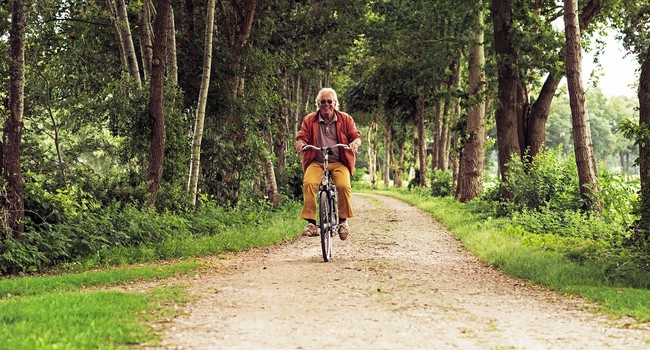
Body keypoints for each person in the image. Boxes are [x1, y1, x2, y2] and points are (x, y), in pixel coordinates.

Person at [295, 87, 362, 240]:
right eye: (323, 102)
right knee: (309, 184)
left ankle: (343, 222)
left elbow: (355, 136)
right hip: (317, 161)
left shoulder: (345, 119)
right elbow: (302, 136)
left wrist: (355, 144)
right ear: (318, 104)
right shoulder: (310, 119)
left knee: (344, 186)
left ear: (335, 103)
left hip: (339, 161)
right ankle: (312, 223)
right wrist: (300, 143)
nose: (326, 104)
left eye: (329, 101)